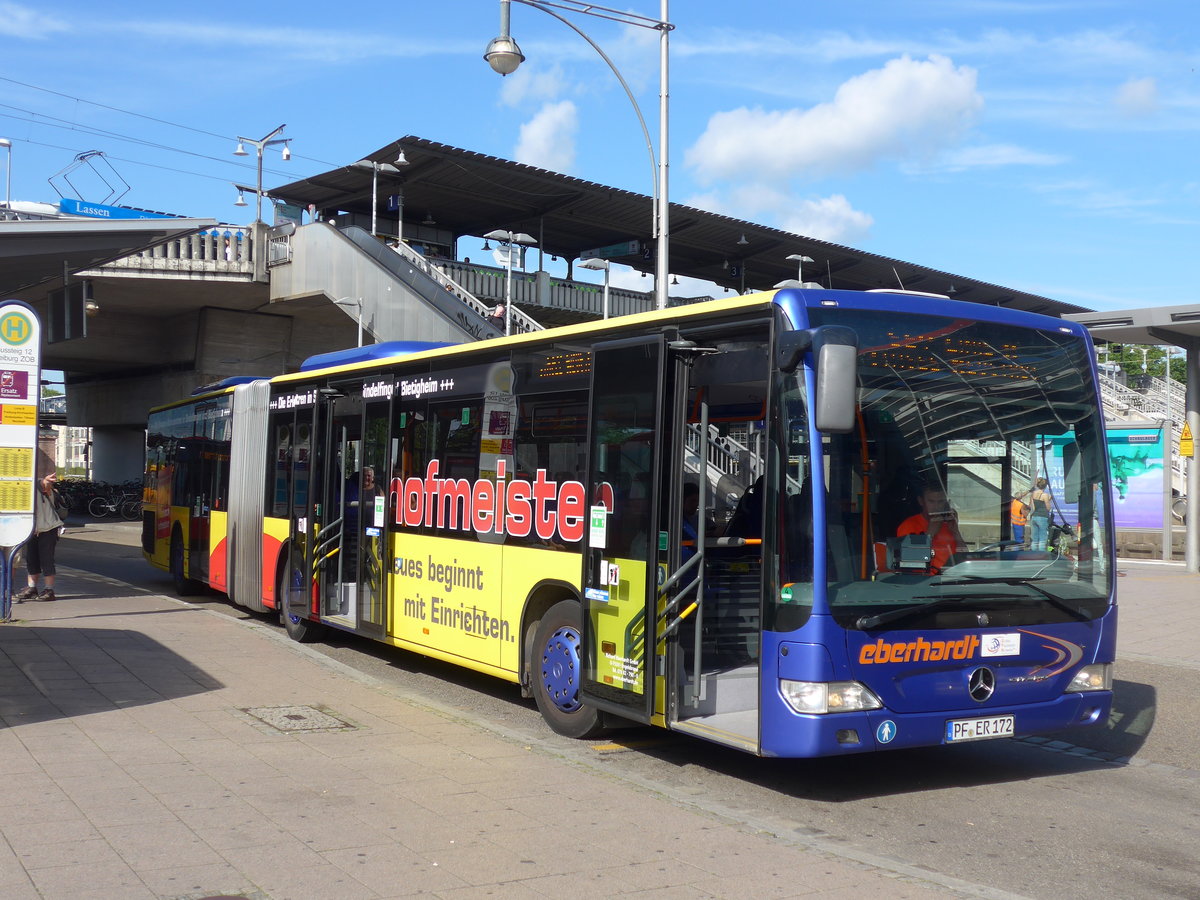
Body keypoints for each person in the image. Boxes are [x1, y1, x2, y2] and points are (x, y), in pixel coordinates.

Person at [16, 472, 65, 602]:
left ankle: (49, 590)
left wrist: (47, 481)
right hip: (31, 530)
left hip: (48, 528)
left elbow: (45, 485)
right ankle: (32, 588)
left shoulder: (38, 484)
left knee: (46, 559)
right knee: (32, 559)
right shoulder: (19, 488)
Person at [896, 483, 966, 571]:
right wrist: (929, 534)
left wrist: (956, 532)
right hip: (924, 579)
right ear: (921, 501)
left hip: (952, 578)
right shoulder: (909, 525)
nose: (936, 506)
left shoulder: (948, 524)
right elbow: (909, 563)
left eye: (940, 502)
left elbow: (964, 558)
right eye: (931, 501)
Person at [1028, 477, 1052, 551]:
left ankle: (1034, 555)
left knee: (1034, 539)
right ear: (1045, 486)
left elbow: (1033, 506)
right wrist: (1049, 499)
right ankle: (1041, 556)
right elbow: (1048, 508)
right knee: (1042, 538)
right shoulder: (1045, 495)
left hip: (1034, 517)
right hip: (1042, 517)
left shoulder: (1033, 493)